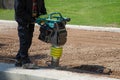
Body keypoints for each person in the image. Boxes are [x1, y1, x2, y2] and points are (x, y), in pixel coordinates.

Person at [14, 0, 47, 68]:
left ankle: (18, 59)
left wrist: (43, 14)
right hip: (23, 20)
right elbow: (19, 11)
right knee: (24, 40)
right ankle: (25, 62)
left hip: (32, 20)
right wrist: (31, 19)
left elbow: (41, 5)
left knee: (28, 41)